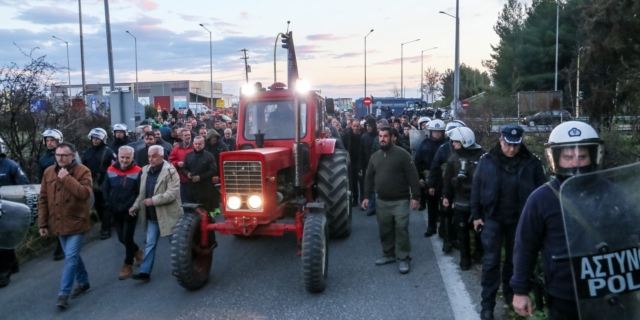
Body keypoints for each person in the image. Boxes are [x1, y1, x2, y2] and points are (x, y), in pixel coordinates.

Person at [511, 121, 605, 320]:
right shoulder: (541, 198)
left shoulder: (610, 193)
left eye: (582, 156)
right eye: (568, 157)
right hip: (564, 293)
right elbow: (525, 246)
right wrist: (520, 290)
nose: (576, 163)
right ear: (556, 158)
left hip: (608, 289)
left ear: (593, 156)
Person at [471, 124, 547, 320]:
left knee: (514, 263)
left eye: (516, 145)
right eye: (508, 144)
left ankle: (511, 297)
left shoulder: (532, 163)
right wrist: (477, 215)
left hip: (520, 221)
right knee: (491, 263)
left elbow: (543, 192)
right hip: (493, 219)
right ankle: (487, 305)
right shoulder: (487, 161)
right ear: (500, 141)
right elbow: (476, 188)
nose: (512, 149)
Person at [38, 142, 93, 309]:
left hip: (76, 221)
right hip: (58, 223)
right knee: (73, 256)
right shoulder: (48, 172)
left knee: (70, 257)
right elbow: (43, 199)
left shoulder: (83, 171)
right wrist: (42, 223)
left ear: (72, 156)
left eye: (64, 155)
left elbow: (85, 193)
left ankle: (63, 294)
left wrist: (67, 178)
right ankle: (84, 283)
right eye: (57, 155)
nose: (60, 158)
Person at [362, 127, 420, 274]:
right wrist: (366, 197)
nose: (382, 139)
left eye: (385, 136)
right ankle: (388, 254)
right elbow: (368, 178)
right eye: (380, 136)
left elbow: (413, 176)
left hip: (400, 200)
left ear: (392, 137)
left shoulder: (402, 155)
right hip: (382, 200)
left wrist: (416, 196)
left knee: (401, 228)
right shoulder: (375, 157)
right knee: (385, 229)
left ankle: (404, 258)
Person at [129, 145, 183, 282]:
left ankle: (182, 269)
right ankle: (145, 272)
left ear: (162, 156)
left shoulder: (171, 171)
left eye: (154, 156)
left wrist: (153, 200)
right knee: (150, 244)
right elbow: (142, 193)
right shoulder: (145, 170)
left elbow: (172, 193)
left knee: (176, 245)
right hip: (153, 217)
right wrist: (136, 206)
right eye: (149, 156)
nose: (151, 159)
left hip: (169, 215)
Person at [441, 127, 485, 271]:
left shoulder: (482, 157)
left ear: (465, 141)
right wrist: (446, 196)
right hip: (461, 201)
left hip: (479, 201)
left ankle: (479, 253)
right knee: (461, 230)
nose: (453, 144)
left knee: (480, 229)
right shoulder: (453, 159)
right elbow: (447, 179)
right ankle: (465, 258)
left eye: (456, 142)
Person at [101, 146, 143, 280]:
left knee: (127, 238)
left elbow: (140, 192)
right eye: (122, 157)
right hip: (115, 209)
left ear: (132, 158)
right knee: (121, 238)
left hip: (130, 210)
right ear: (118, 157)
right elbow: (105, 188)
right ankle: (137, 251)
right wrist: (108, 203)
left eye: (127, 157)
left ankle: (128, 264)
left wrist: (135, 206)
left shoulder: (138, 171)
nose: (124, 160)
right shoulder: (111, 169)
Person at [429, 119, 467, 251]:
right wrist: (432, 185)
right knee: (445, 210)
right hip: (445, 184)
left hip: (464, 186)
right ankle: (447, 240)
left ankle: (456, 237)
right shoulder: (444, 148)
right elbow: (434, 167)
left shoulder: (469, 148)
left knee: (461, 212)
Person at [0, 137, 30, 288]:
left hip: (9, 207)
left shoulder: (11, 165)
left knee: (4, 237)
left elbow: (24, 185)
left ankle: (3, 273)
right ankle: (13, 263)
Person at [38, 129, 67, 261]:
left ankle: (67, 242)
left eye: (52, 140)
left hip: (67, 190)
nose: (49, 143)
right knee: (55, 218)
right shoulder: (43, 159)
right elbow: (41, 178)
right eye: (47, 141)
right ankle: (60, 244)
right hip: (51, 192)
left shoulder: (66, 153)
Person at [82, 128, 116, 240]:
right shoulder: (87, 152)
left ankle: (106, 229)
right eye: (93, 138)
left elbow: (115, 167)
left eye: (98, 138)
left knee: (106, 205)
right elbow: (83, 166)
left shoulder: (109, 152)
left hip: (106, 183)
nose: (95, 140)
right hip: (92, 184)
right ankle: (106, 223)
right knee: (98, 206)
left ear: (103, 139)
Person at [414, 119, 447, 237]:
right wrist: (419, 177)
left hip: (445, 179)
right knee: (431, 205)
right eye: (435, 131)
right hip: (429, 179)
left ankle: (444, 230)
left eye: (439, 132)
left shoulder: (448, 144)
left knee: (445, 206)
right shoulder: (424, 143)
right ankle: (431, 227)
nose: (437, 134)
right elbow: (417, 162)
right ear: (430, 131)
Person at [183, 136, 217, 211]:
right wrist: (187, 173)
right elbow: (184, 168)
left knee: (205, 211)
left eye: (199, 144)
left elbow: (213, 170)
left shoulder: (209, 156)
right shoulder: (188, 155)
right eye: (196, 144)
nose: (197, 145)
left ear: (203, 144)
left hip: (204, 189)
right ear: (193, 144)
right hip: (191, 189)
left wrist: (200, 177)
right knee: (191, 211)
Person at [358, 117, 379, 216]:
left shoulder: (379, 136)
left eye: (370, 126)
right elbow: (361, 153)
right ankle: (371, 206)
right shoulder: (364, 137)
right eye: (367, 126)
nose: (368, 127)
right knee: (369, 185)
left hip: (378, 164)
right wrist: (360, 167)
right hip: (367, 164)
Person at [169, 129, 194, 202]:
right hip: (181, 179)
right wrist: (177, 163)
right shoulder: (176, 149)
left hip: (193, 179)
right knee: (183, 200)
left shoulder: (195, 147)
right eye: (185, 135)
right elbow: (170, 161)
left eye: (189, 135)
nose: (187, 137)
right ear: (181, 137)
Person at [343, 120, 363, 207]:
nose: (355, 128)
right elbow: (343, 146)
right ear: (351, 126)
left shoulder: (363, 135)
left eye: (357, 126)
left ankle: (363, 200)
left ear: (360, 126)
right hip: (351, 161)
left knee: (362, 182)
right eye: (354, 126)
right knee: (353, 182)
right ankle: (355, 199)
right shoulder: (347, 135)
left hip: (361, 161)